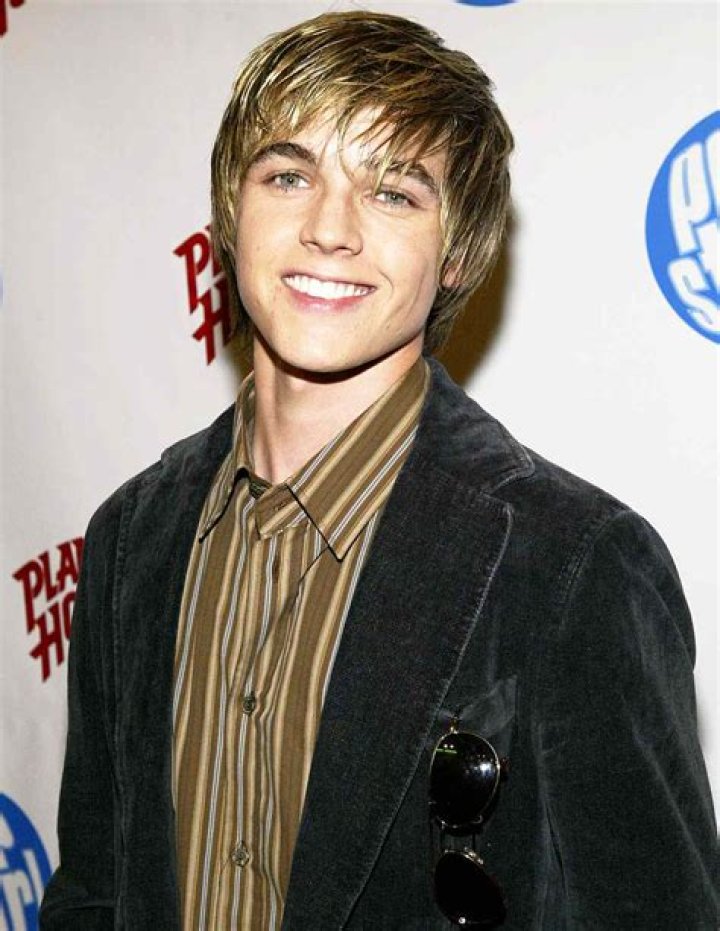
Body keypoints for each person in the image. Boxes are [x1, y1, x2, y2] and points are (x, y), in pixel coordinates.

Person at [40, 11, 717, 930]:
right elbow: (93, 892)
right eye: (289, 175)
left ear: (458, 252)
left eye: (393, 192)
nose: (329, 229)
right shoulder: (131, 537)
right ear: (231, 215)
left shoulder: (575, 562)